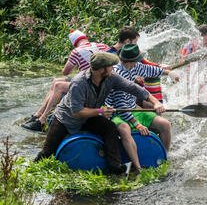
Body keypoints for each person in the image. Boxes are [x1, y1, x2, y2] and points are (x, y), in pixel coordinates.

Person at [33, 52, 166, 175]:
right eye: (111, 67)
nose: (113, 69)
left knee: (110, 128)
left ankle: (115, 167)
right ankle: (33, 171)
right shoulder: (79, 83)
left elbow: (134, 89)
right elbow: (77, 111)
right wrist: (100, 111)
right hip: (66, 119)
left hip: (90, 117)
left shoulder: (111, 77)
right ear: (101, 69)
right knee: (47, 152)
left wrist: (155, 102)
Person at [21, 30, 112, 131]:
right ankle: (38, 114)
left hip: (93, 84)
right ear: (85, 38)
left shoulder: (77, 51)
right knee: (56, 81)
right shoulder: (102, 46)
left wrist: (76, 64)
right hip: (101, 80)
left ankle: (43, 119)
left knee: (58, 86)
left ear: (74, 44)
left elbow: (65, 72)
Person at [105, 44, 172, 173]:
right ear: (131, 61)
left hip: (134, 108)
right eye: (137, 60)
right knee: (124, 130)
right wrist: (137, 125)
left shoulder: (134, 67)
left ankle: (162, 158)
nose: (138, 63)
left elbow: (150, 70)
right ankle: (138, 167)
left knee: (165, 125)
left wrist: (169, 73)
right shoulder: (117, 74)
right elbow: (121, 107)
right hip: (117, 113)